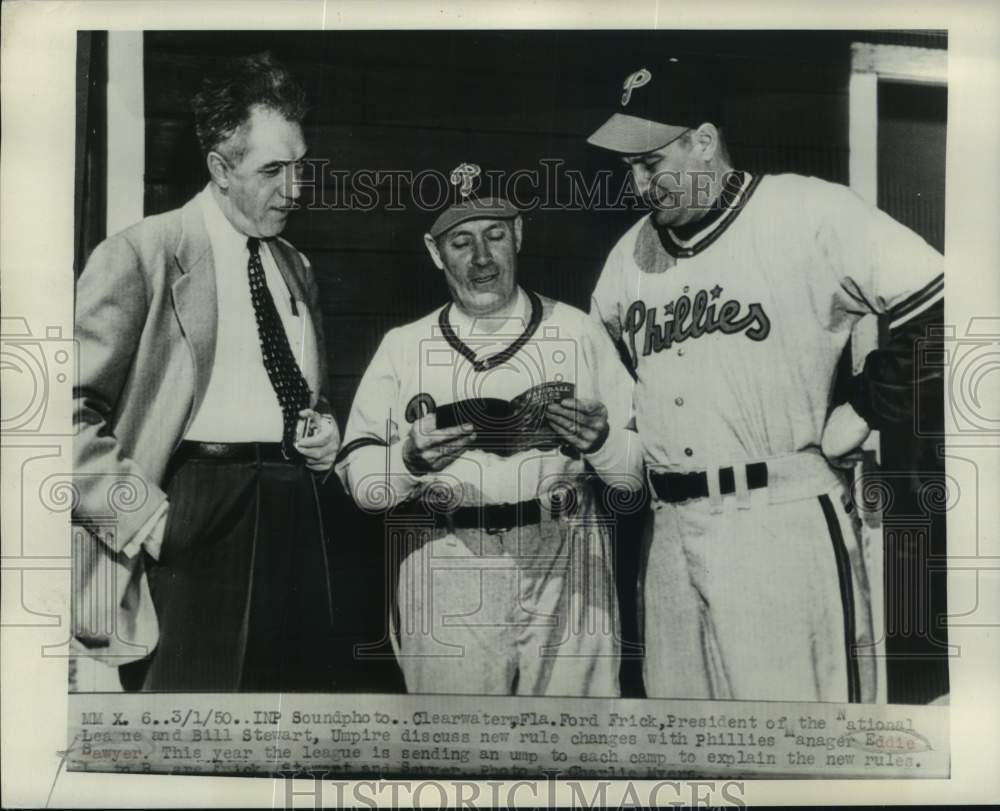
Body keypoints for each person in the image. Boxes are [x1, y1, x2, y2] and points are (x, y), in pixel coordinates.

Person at [585, 61, 944, 703]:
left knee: (802, 751)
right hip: (668, 531)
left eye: (652, 162)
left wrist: (866, 406)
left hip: (776, 516)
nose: (640, 185)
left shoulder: (807, 211)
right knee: (689, 756)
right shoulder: (628, 258)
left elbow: (950, 302)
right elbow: (618, 393)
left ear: (703, 140)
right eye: (629, 169)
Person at [72, 53, 342, 692]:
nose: (295, 189)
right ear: (220, 168)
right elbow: (63, 416)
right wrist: (148, 519)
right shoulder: (142, 255)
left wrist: (323, 436)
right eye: (272, 170)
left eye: (300, 165)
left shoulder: (297, 266)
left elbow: (299, 394)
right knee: (187, 726)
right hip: (189, 509)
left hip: (292, 509)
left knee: (287, 724)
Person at [335, 164, 642, 696]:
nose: (482, 258)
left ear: (518, 234)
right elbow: (363, 486)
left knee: (577, 744)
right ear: (435, 253)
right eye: (461, 242)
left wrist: (603, 442)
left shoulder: (579, 331)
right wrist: (409, 459)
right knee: (454, 749)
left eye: (495, 235)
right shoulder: (403, 346)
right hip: (446, 551)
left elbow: (636, 477)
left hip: (565, 550)